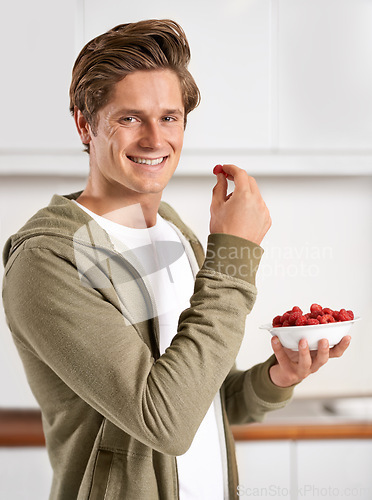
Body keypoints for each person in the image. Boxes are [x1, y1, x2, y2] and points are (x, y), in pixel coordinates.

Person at [2, 19, 350, 500]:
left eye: (169, 117)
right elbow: (164, 420)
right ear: (86, 123)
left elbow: (202, 395)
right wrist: (233, 255)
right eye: (129, 118)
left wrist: (277, 376)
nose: (153, 139)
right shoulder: (48, 260)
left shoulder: (173, 233)